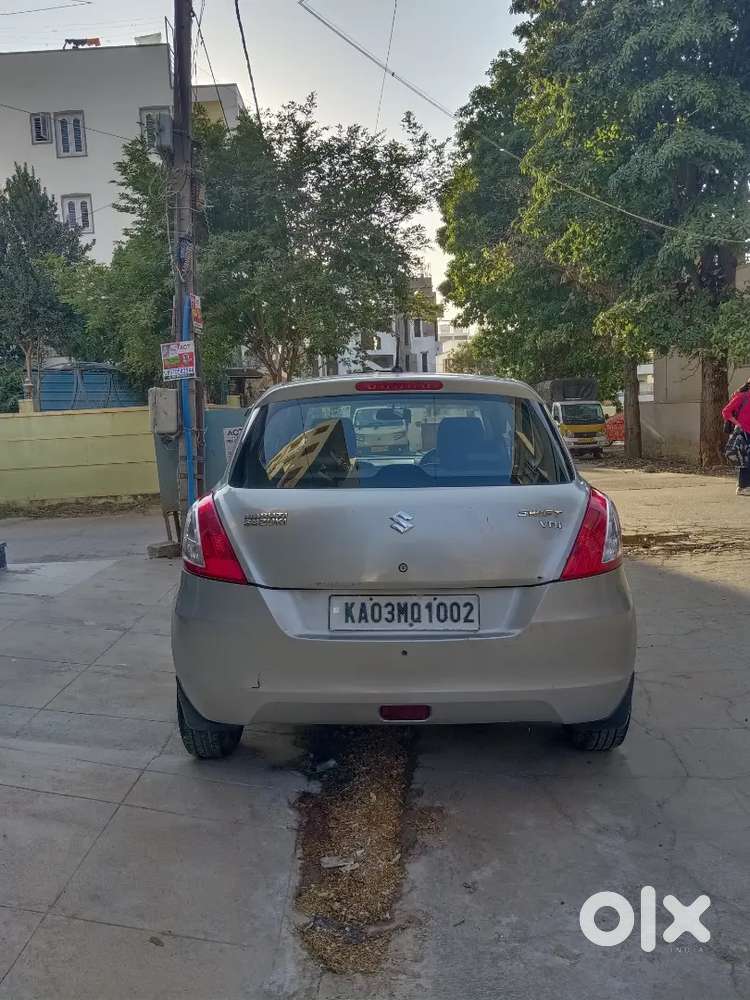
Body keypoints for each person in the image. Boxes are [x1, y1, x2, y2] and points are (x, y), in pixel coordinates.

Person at [722, 380, 750, 495]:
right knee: (745, 460)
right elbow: (726, 411)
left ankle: (744, 486)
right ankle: (743, 487)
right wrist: (738, 424)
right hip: (743, 433)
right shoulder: (742, 396)